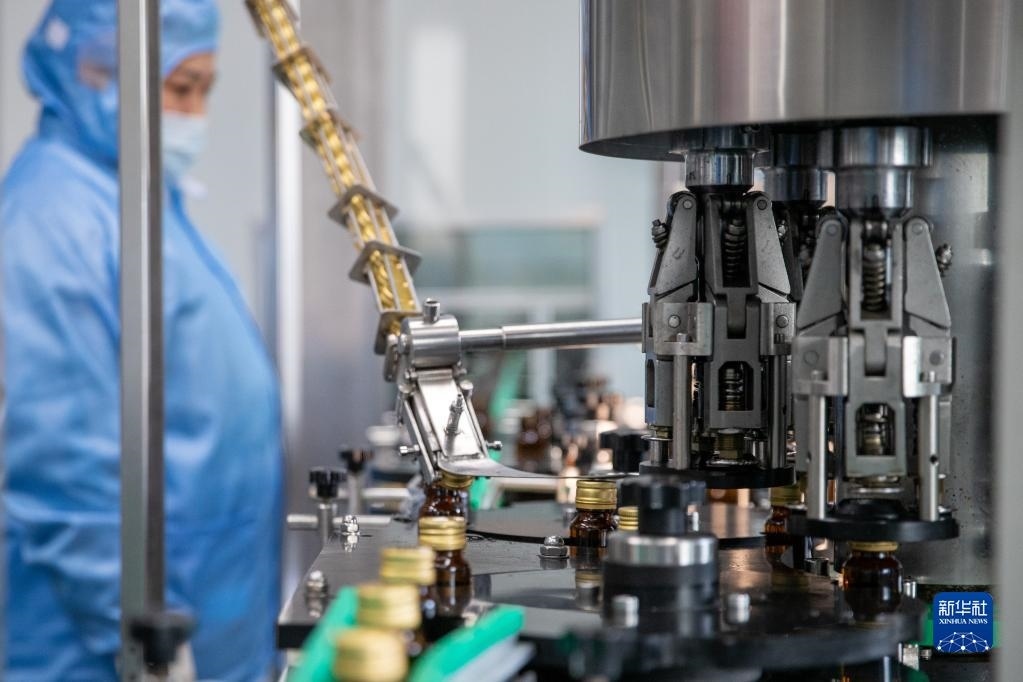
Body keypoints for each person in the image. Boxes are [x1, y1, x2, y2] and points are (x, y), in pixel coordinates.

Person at [1, 1, 283, 679]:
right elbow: (65, 477)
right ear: (96, 70)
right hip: (106, 651)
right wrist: (147, 640)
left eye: (206, 90)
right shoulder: (52, 220)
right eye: (180, 88)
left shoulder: (140, 199)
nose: (195, 114)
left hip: (210, 613)